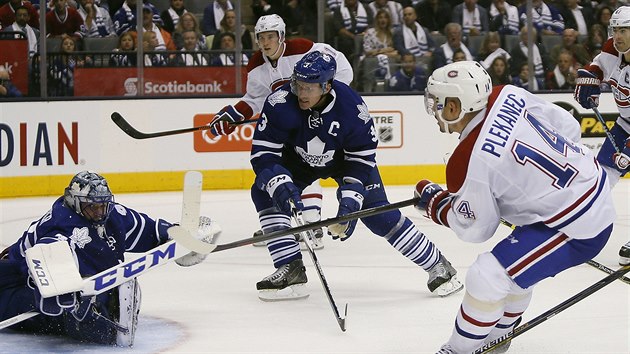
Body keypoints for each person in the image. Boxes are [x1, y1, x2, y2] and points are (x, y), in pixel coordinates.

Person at [419, 61, 614, 354]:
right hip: (591, 184)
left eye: (438, 103)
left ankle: (457, 350)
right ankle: (499, 335)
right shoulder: (508, 93)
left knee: (487, 275)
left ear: (454, 107)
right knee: (513, 265)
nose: (434, 111)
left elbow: (477, 227)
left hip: (580, 225)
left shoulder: (466, 160)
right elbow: (568, 127)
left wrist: (438, 205)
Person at [250, 51, 463, 301]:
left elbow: (361, 161)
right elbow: (262, 152)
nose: (302, 93)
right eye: (298, 85)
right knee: (263, 192)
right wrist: (279, 182)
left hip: (345, 162)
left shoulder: (352, 108)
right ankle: (290, 267)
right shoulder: (280, 102)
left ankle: (438, 265)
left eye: (309, 87)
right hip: (298, 161)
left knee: (379, 216)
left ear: (326, 86)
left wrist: (350, 202)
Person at [0, 171, 219, 346]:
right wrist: (53, 283)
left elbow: (146, 230)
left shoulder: (112, 214)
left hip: (75, 281)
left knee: (80, 314)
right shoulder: (60, 225)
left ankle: (103, 307)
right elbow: (46, 251)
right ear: (76, 203)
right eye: (93, 207)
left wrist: (174, 235)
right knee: (54, 311)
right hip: (19, 274)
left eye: (103, 205)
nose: (99, 212)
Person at [208, 14, 353, 247]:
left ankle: (312, 225)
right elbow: (255, 98)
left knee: (311, 161)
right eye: (261, 37)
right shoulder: (256, 64)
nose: (266, 42)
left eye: (270, 37)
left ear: (281, 36)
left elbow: (342, 66)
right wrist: (234, 113)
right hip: (291, 124)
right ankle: (284, 226)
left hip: (318, 119)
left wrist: (327, 101)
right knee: (282, 172)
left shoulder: (303, 49)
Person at [574, 6, 630, 266]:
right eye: (615, 30)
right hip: (624, 124)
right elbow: (597, 65)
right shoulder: (612, 50)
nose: (618, 36)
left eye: (624, 30)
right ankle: (581, 222)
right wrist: (590, 80)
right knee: (601, 176)